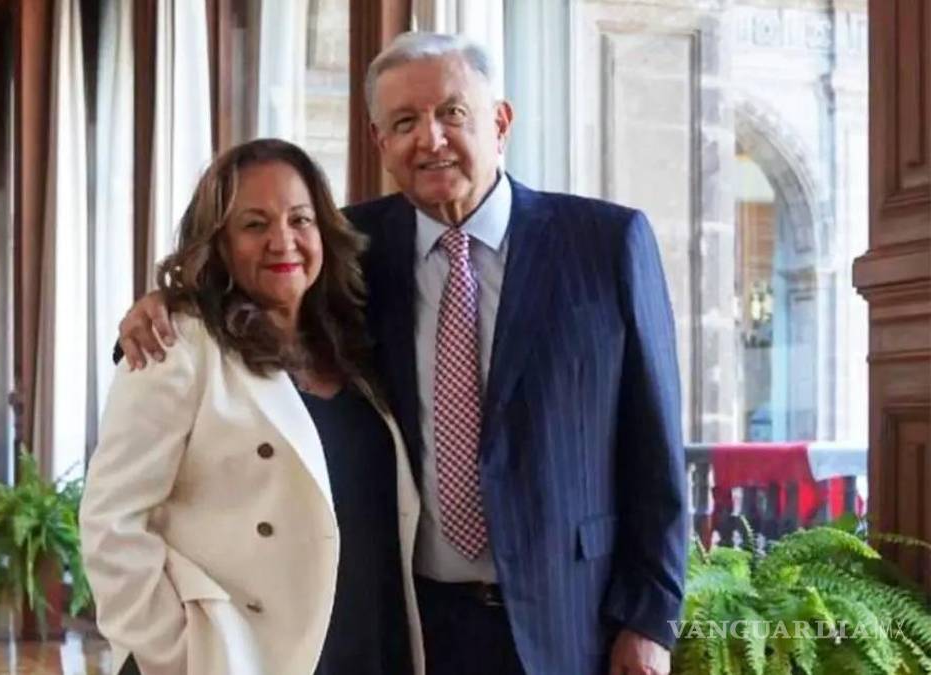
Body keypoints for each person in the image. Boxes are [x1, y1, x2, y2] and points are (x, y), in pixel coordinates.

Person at [115, 32, 687, 675]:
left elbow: (655, 451)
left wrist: (651, 621)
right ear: (379, 141)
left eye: (452, 113)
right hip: (411, 625)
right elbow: (251, 276)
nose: (430, 139)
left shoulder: (605, 243)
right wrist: (167, 305)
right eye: (405, 122)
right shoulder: (351, 246)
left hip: (570, 621)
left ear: (501, 122)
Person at [80, 138, 425, 675]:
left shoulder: (353, 340)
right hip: (243, 656)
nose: (282, 241)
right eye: (254, 224)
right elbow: (111, 523)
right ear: (218, 243)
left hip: (372, 640)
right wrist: (179, 655)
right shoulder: (177, 346)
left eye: (300, 220)